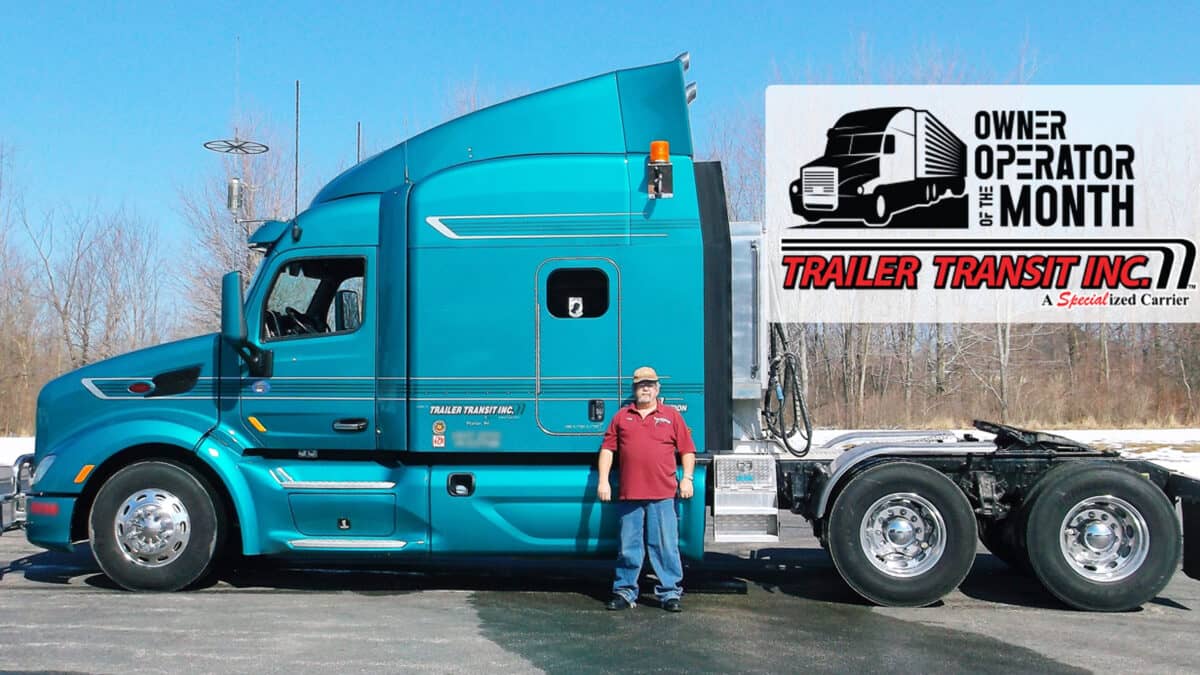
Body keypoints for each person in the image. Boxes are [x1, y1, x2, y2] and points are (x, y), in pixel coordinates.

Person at [597, 366, 696, 612]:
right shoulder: (622, 416)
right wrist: (603, 480)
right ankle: (624, 591)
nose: (646, 389)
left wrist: (688, 479)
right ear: (634, 388)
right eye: (641, 385)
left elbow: (687, 450)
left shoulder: (672, 416)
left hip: (663, 494)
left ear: (657, 388)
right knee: (628, 547)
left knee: (664, 547)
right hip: (630, 495)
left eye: (650, 385)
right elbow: (608, 450)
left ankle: (670, 593)